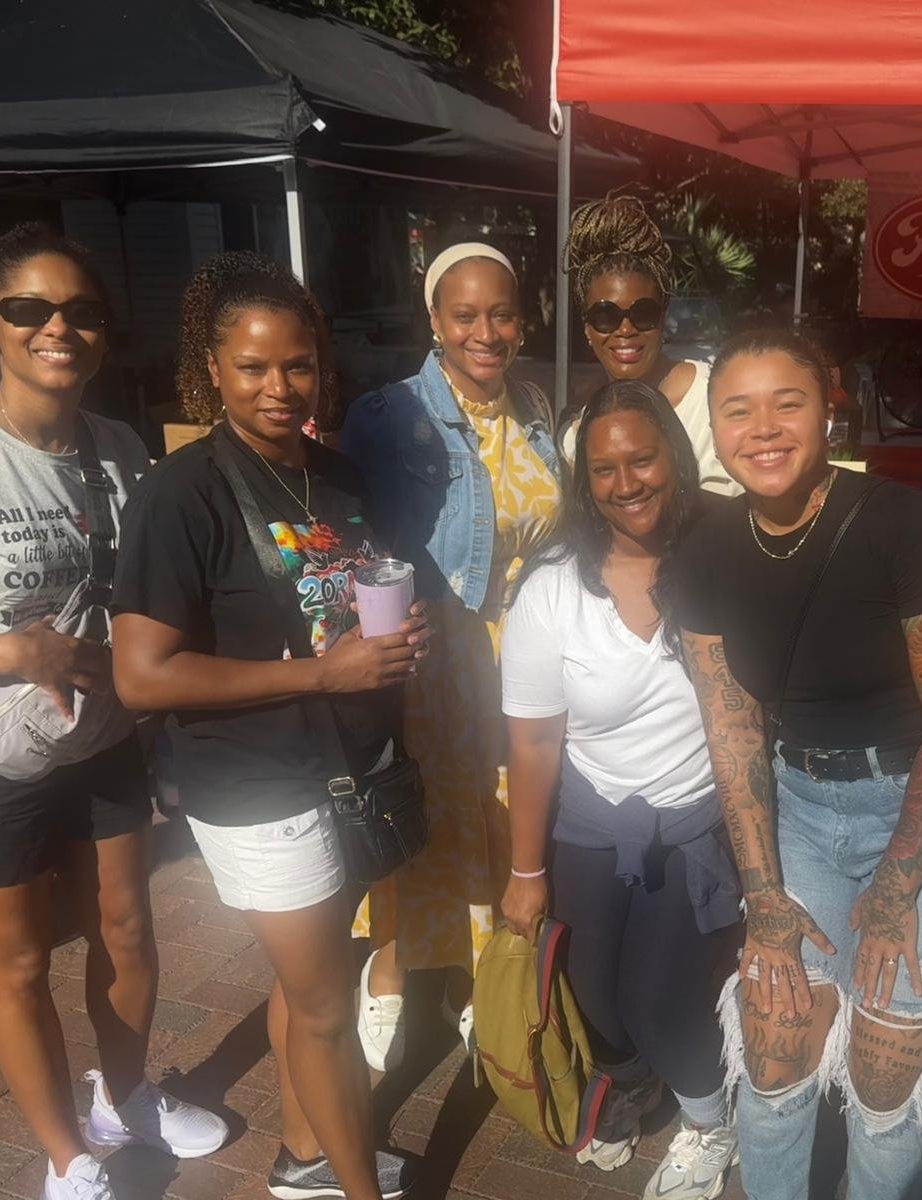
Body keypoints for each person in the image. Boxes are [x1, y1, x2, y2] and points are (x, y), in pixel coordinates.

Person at [0, 223, 229, 1200]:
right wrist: (10, 650)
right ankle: (69, 1158)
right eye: (31, 309)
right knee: (18, 965)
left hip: (98, 739)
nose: (58, 327)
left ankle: (126, 1098)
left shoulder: (117, 451)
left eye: (82, 312)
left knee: (127, 931)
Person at [111, 252, 423, 1200]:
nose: (280, 387)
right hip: (254, 789)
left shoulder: (333, 477)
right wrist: (322, 671)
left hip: (341, 769)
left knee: (306, 986)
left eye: (298, 365)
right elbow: (141, 676)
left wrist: (393, 637)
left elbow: (331, 602)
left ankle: (305, 1159)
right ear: (212, 368)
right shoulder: (181, 494)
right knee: (328, 1008)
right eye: (253, 367)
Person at [673, 328, 922, 1200]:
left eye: (790, 402)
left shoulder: (910, 530)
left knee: (885, 1067)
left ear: (829, 409)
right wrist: (764, 897)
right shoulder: (703, 553)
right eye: (738, 410)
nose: (765, 428)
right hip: (803, 805)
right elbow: (733, 731)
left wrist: (894, 893)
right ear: (714, 426)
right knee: (776, 1046)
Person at [500, 380, 739, 1198]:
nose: (627, 481)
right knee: (592, 994)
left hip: (695, 826)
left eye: (643, 459)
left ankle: (709, 1121)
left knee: (661, 997)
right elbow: (533, 740)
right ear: (584, 481)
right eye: (604, 469)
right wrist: (525, 873)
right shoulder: (553, 588)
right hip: (591, 826)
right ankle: (633, 1085)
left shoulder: (724, 556)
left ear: (676, 456)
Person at [343, 242, 562, 1071]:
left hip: (521, 651)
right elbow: (353, 539)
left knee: (502, 815)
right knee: (422, 812)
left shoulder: (534, 406)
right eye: (464, 315)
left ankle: (478, 977)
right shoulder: (388, 414)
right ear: (433, 321)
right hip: (434, 653)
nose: (486, 331)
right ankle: (392, 968)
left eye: (501, 313)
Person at [560, 196, 742, 497]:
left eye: (643, 313)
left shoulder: (715, 400)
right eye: (605, 316)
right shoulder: (580, 431)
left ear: (663, 316)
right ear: (587, 329)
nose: (626, 329)